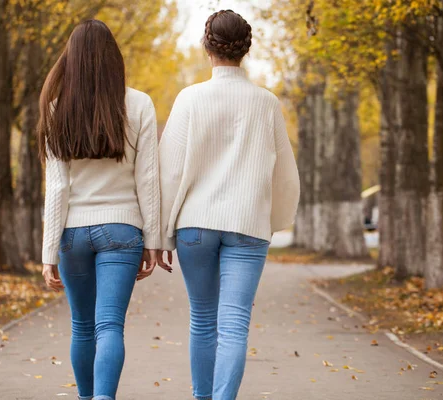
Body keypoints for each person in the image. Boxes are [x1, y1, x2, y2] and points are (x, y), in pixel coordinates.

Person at [158, 10, 300, 400]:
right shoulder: (266, 103)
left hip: (194, 226)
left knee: (203, 321)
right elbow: (285, 174)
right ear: (246, 49)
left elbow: (168, 172)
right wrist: (272, 221)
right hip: (247, 226)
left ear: (207, 46)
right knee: (234, 324)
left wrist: (161, 236)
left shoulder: (189, 99)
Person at [38, 20, 169, 400]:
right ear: (114, 58)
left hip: (73, 234)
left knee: (82, 326)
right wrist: (154, 241)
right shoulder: (140, 103)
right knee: (109, 326)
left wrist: (48, 254)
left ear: (72, 59)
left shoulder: (56, 107)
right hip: (122, 231)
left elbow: (57, 187)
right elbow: (148, 181)